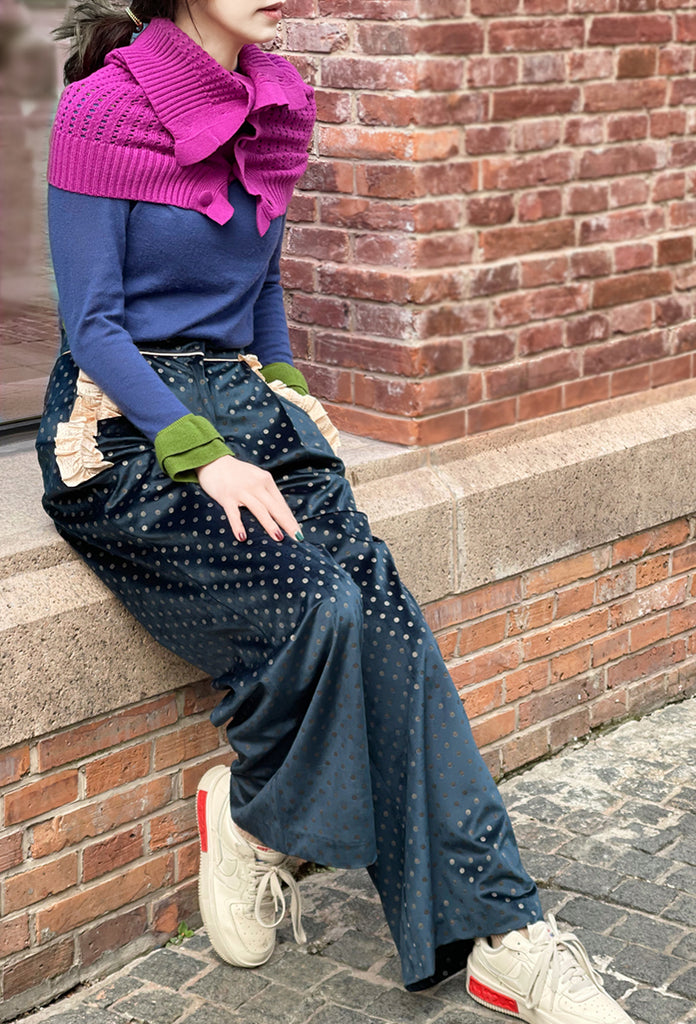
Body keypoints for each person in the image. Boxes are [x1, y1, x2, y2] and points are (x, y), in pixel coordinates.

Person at [36, 2, 633, 1022]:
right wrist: (205, 456)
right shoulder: (102, 110)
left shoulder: (277, 102)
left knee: (391, 623)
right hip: (129, 427)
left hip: (250, 408)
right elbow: (92, 326)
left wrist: (290, 393)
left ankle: (511, 937)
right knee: (325, 606)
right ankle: (260, 819)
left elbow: (261, 288)